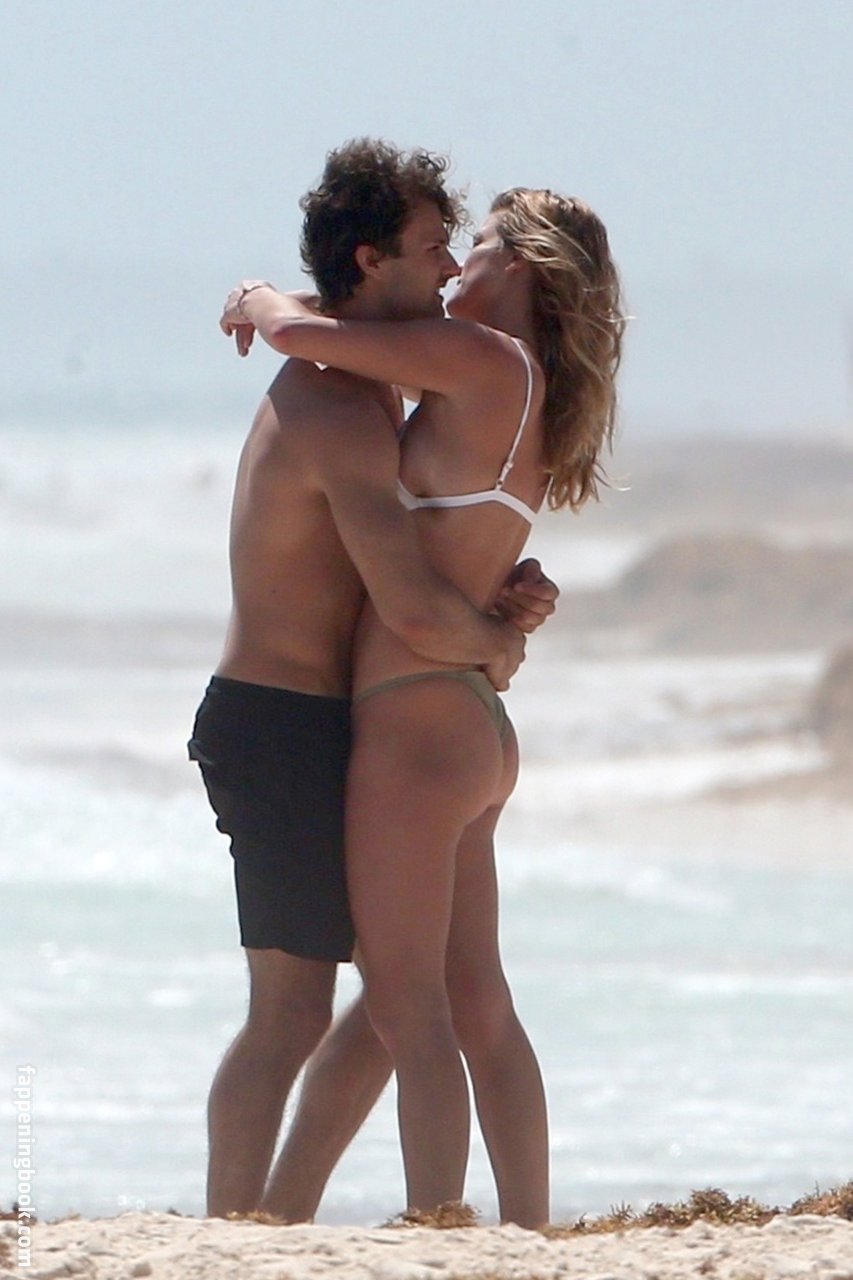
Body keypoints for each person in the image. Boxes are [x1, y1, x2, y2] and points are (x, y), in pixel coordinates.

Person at [221, 184, 626, 1225]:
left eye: (472, 244)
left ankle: (436, 1222)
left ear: (518, 264)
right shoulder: (525, 381)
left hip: (410, 720)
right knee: (472, 1000)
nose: (454, 266)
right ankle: (524, 1228)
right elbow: (365, 347)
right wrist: (504, 619)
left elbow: (309, 338)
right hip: (472, 724)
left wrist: (258, 297)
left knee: (409, 1006)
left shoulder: (478, 358)